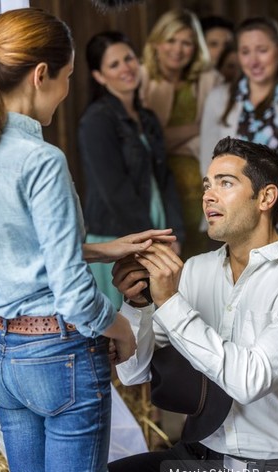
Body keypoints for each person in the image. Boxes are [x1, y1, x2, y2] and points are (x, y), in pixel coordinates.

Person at [0, 8, 174, 472]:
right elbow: (74, 297)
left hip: (4, 358)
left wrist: (104, 249)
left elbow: (17, 249)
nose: (69, 89)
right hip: (58, 355)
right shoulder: (41, 160)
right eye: (69, 76)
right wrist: (121, 330)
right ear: (40, 75)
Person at [102, 136, 278, 472]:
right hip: (189, 467)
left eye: (225, 183)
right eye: (207, 185)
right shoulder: (194, 270)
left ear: (266, 198)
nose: (208, 195)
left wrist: (170, 301)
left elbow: (250, 380)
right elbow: (134, 372)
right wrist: (140, 303)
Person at [200, 16, 278, 264]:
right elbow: (208, 163)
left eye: (262, 50)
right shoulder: (219, 98)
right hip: (233, 221)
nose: (254, 60)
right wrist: (237, 210)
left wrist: (269, 206)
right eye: (246, 51)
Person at [78, 31, 184, 310]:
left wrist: (174, 235)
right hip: (117, 237)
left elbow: (165, 180)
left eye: (128, 58)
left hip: (154, 229)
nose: (125, 67)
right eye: (114, 64)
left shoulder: (147, 118)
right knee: (122, 327)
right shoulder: (96, 121)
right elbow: (115, 191)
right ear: (99, 76)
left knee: (153, 325)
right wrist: (149, 242)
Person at [140, 8, 223, 260]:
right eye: (171, 40)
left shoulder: (211, 79)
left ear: (196, 47)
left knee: (206, 259)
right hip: (157, 185)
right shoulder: (140, 77)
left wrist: (166, 137)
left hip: (202, 183)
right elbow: (145, 142)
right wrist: (196, 128)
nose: (178, 49)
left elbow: (218, 136)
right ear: (156, 43)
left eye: (186, 42)